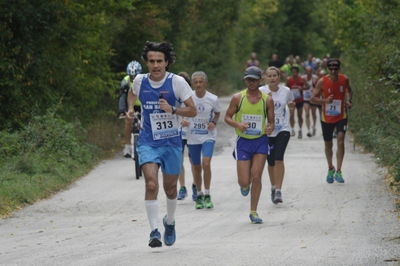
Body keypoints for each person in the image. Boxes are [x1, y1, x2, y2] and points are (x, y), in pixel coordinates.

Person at [127, 41, 196, 248]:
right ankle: (154, 230)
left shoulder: (177, 83)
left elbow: (193, 110)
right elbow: (132, 94)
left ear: (167, 62)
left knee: (171, 189)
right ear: (146, 63)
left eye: (159, 61)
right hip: (149, 141)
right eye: (151, 61)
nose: (155, 65)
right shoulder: (140, 81)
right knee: (151, 183)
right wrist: (131, 108)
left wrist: (173, 110)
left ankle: (170, 222)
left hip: (172, 142)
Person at [224, 66, 274, 224]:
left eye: (254, 79)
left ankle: (254, 211)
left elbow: (271, 121)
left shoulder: (267, 99)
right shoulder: (238, 98)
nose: (251, 82)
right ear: (245, 80)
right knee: (244, 182)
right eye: (248, 79)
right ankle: (245, 186)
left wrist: (270, 127)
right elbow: (227, 117)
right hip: (243, 142)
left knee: (257, 176)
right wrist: (237, 124)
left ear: (260, 80)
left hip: (260, 141)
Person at [311, 58, 352, 184]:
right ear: (328, 69)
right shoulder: (322, 81)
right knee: (328, 145)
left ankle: (339, 170)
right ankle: (330, 168)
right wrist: (324, 101)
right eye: (331, 69)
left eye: (336, 68)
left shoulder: (344, 79)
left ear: (339, 69)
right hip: (326, 117)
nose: (333, 71)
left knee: (340, 140)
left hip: (341, 115)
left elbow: (349, 91)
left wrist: (349, 101)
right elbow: (313, 98)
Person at [186, 71, 220, 209]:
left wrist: (214, 122)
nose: (199, 84)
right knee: (196, 166)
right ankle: (199, 194)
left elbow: (217, 113)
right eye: (196, 82)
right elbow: (183, 112)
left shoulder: (213, 98)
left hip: (208, 135)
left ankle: (207, 193)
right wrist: (184, 120)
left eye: (201, 82)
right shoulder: (188, 98)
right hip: (193, 136)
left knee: (206, 163)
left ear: (205, 83)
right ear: (193, 84)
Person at [259, 67, 294, 204]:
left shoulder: (286, 91)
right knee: (271, 161)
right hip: (267, 131)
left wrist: (291, 107)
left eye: (275, 75)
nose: (273, 78)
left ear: (279, 77)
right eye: (270, 76)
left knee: (279, 159)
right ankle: (273, 187)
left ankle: (279, 190)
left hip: (282, 129)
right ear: (266, 78)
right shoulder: (261, 91)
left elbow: (291, 105)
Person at [119, 61, 142, 157]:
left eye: (135, 76)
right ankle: (127, 147)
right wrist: (122, 110)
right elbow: (122, 96)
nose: (133, 78)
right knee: (128, 122)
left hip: (143, 105)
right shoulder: (125, 80)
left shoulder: (145, 79)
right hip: (131, 105)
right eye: (131, 76)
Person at [176, 72, 192, 201]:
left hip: (192, 133)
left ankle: (195, 186)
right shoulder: (173, 95)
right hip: (179, 133)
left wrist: (190, 122)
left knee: (194, 162)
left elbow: (200, 113)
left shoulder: (192, 96)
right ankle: (182, 187)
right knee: (179, 162)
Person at [286, 65, 308, 138]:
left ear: (297, 72)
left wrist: (301, 88)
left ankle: (300, 130)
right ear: (292, 72)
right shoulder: (289, 80)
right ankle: (292, 129)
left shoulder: (302, 79)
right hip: (292, 100)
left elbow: (307, 86)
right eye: (293, 72)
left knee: (299, 115)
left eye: (295, 72)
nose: (294, 73)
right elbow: (286, 88)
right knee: (291, 115)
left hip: (300, 100)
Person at [302, 66, 319, 137]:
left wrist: (315, 90)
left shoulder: (315, 78)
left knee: (313, 114)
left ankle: (314, 127)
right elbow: (301, 87)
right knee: (307, 114)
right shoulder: (303, 78)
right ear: (305, 71)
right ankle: (308, 130)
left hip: (313, 98)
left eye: (310, 71)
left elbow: (318, 87)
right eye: (307, 71)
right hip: (306, 98)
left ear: (312, 71)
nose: (309, 72)